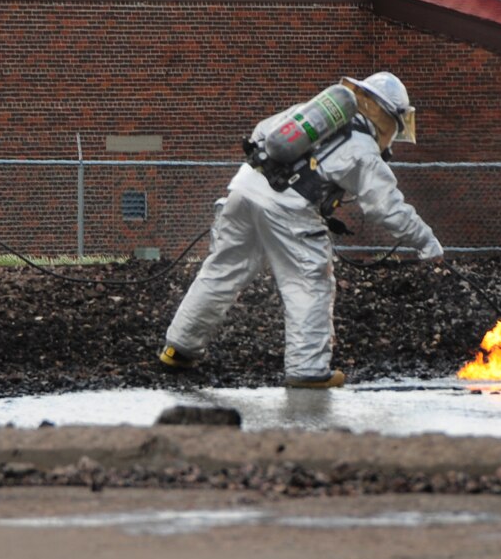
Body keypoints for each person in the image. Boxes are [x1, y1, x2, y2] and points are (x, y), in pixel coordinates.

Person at [159, 71, 443, 387]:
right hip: (288, 209)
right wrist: (428, 243)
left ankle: (179, 348)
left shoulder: (309, 115)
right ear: (387, 115)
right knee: (309, 282)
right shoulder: (363, 148)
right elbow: (386, 207)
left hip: (244, 188)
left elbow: (262, 133)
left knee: (221, 271)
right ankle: (308, 369)